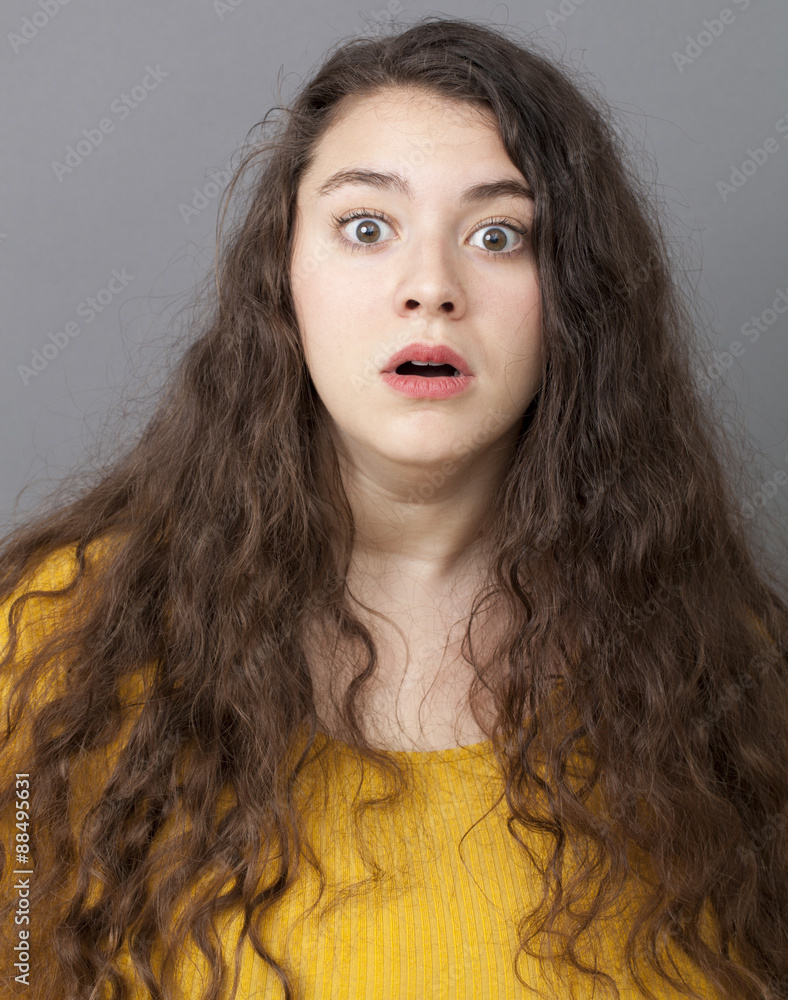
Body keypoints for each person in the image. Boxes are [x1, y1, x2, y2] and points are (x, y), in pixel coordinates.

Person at [0, 14, 786, 1000]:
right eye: (366, 227)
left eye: (498, 235)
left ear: (574, 301)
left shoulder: (730, 684)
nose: (429, 287)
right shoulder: (48, 644)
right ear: (283, 275)